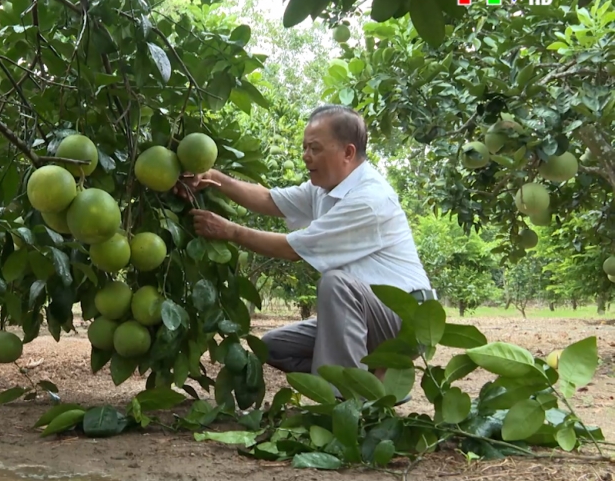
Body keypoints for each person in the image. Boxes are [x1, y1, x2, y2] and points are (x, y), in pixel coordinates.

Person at [174, 105, 435, 396]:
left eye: (315, 148)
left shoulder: (368, 200)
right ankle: (374, 382)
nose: (305, 156)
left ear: (348, 153)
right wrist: (213, 177)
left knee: (336, 283)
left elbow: (292, 248)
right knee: (273, 346)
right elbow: (270, 200)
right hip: (368, 316)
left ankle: (345, 403)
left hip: (408, 319)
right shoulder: (325, 188)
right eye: (304, 147)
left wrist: (230, 231)